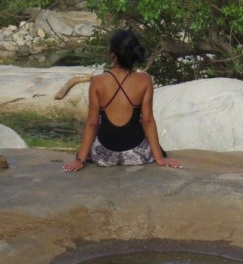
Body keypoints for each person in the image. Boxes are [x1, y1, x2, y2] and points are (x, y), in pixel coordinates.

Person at [62, 29, 181, 172]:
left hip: (105, 156)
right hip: (137, 155)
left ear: (112, 55)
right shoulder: (145, 80)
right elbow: (147, 120)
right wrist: (160, 158)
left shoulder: (97, 81)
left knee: (99, 122)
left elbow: (92, 124)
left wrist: (79, 159)